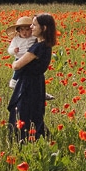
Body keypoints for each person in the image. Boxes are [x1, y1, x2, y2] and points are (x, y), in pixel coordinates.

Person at [7, 13, 57, 142]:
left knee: (23, 114)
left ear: (44, 28)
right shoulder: (45, 45)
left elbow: (17, 66)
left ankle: (24, 141)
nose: (31, 27)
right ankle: (40, 140)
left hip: (28, 84)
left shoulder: (37, 48)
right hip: (37, 83)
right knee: (34, 114)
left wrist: (14, 63)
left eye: (34, 25)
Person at [7, 17, 34, 90]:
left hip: (30, 59)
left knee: (36, 74)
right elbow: (9, 50)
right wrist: (14, 50)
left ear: (32, 29)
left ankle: (40, 90)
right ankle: (13, 81)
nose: (24, 32)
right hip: (19, 58)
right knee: (18, 70)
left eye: (27, 29)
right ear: (18, 30)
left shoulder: (34, 38)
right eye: (22, 30)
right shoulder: (16, 39)